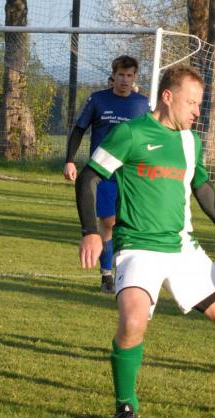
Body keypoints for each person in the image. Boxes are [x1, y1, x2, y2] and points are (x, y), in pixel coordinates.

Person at [76, 64, 215, 418]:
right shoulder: (130, 133)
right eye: (191, 103)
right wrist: (91, 232)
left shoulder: (192, 142)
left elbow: (202, 187)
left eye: (200, 105)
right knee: (132, 322)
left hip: (182, 247)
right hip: (138, 248)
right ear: (168, 97)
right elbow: (89, 177)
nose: (196, 111)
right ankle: (126, 406)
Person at [64, 55, 150, 293]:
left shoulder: (142, 104)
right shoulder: (98, 99)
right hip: (103, 174)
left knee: (132, 225)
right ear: (114, 76)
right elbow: (80, 129)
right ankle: (107, 275)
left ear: (135, 77)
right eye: (121, 75)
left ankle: (126, 273)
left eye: (129, 76)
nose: (125, 80)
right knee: (109, 222)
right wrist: (70, 160)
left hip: (132, 175)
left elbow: (150, 137)